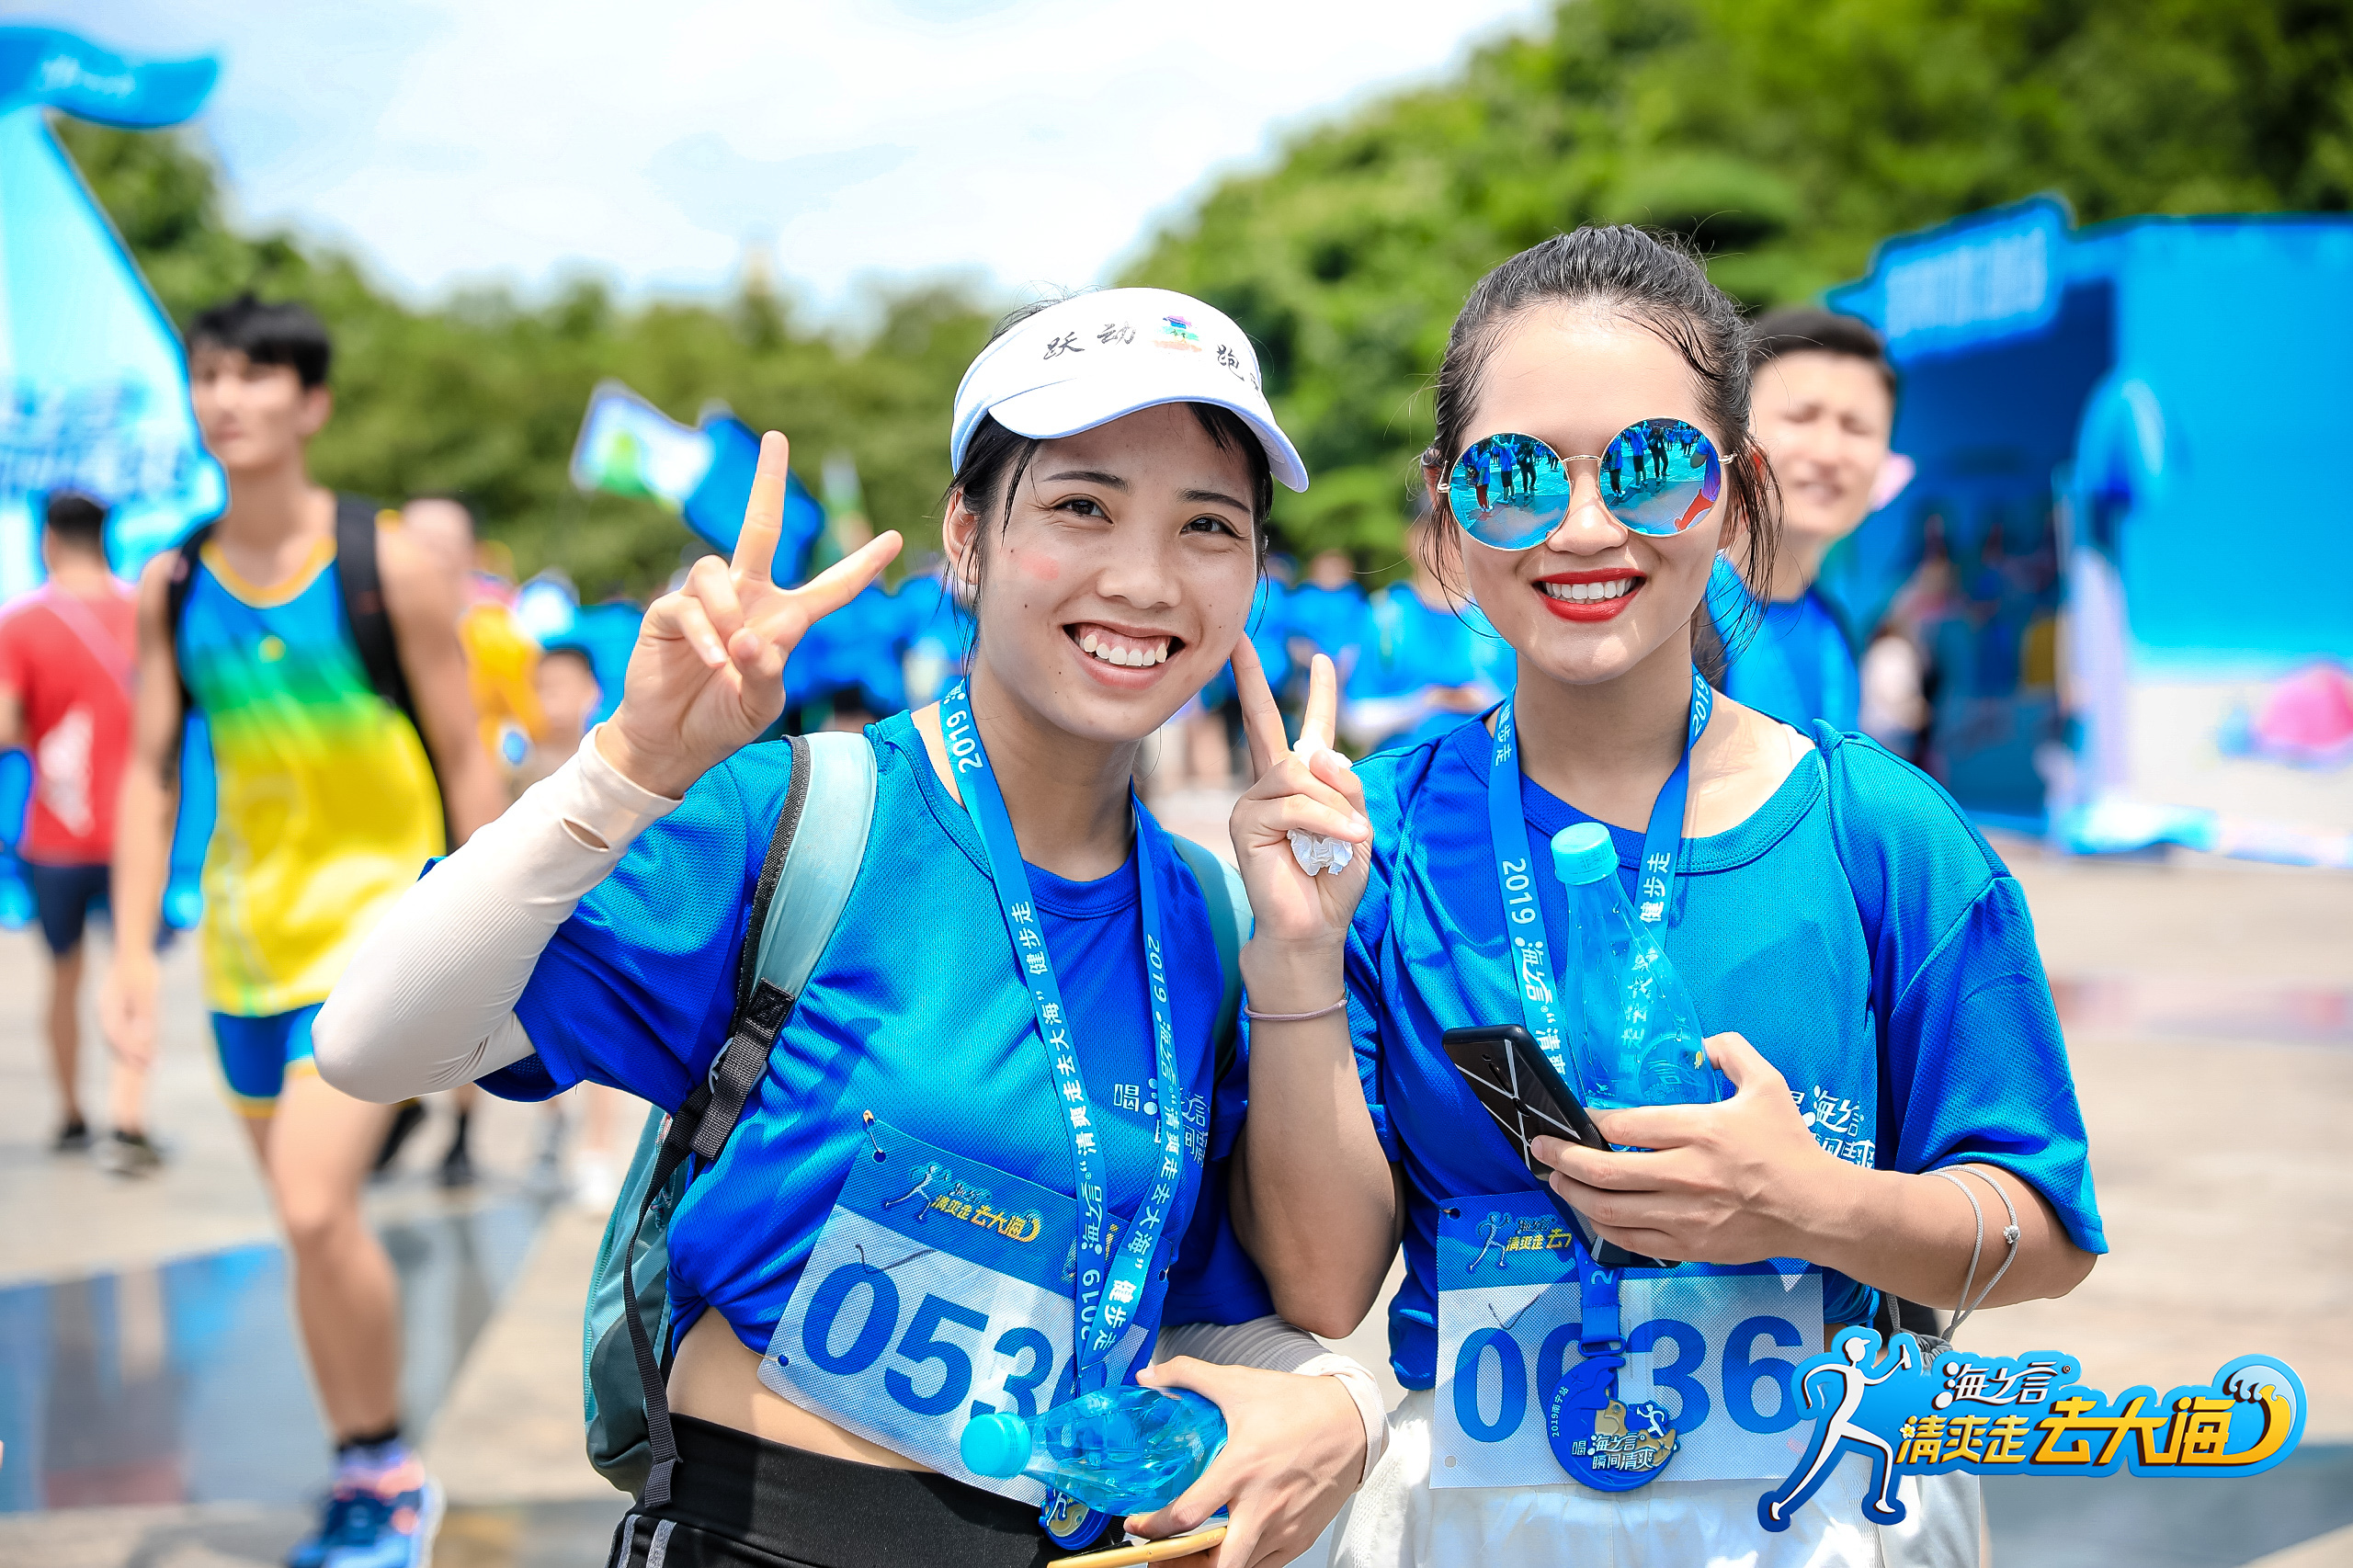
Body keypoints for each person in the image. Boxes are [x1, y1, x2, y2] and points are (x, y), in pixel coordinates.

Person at [314, 289, 1386, 1568]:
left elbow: (1235, 1297)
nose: (1145, 579)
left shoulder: (1208, 918)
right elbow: (370, 1042)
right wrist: (624, 771)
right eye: (1081, 506)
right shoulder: (803, 819)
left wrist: (1351, 1403)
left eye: (1207, 526)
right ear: (967, 533)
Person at [1230, 228, 2104, 1568]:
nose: (1585, 529)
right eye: (1516, 474)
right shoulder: (1372, 842)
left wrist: (1819, 1206)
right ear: (1449, 508)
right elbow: (1323, 1280)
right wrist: (1296, 962)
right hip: (1470, 1527)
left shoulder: (1882, 830)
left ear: (1735, 490)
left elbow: (2042, 1231)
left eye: (1651, 466)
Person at [103, 295, 504, 1568]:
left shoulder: (390, 565)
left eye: (256, 374)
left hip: (377, 937)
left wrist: (502, 934)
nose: (227, 397)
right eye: (210, 374)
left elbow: (464, 753)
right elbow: (148, 772)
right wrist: (129, 953)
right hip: (243, 950)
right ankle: (361, 1466)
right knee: (307, 1226)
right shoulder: (173, 582)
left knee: (315, 1202)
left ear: (311, 403)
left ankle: (390, 1474)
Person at [0, 492, 157, 1170]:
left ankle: (70, 1114)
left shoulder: (21, 623)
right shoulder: (144, 615)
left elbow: (6, 726)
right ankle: (128, 1119)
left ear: (48, 541)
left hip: (56, 834)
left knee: (62, 976)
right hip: (136, 832)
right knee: (134, 965)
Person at [1710, 307, 1904, 733]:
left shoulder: (1836, 630)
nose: (1829, 454)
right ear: (1732, 434)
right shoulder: (1678, 621)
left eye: (1857, 428)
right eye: (1801, 417)